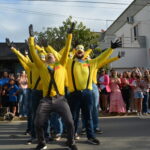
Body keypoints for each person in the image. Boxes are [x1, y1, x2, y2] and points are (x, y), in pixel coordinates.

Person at [28, 24, 77, 150]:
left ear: (55, 58)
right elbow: (33, 52)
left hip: (60, 99)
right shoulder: (42, 66)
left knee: (70, 122)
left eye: (52, 54)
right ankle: (42, 143)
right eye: (48, 54)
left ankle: (71, 142)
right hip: (46, 100)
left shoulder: (61, 65)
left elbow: (66, 50)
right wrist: (32, 37)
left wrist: (69, 35)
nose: (50, 55)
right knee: (38, 123)